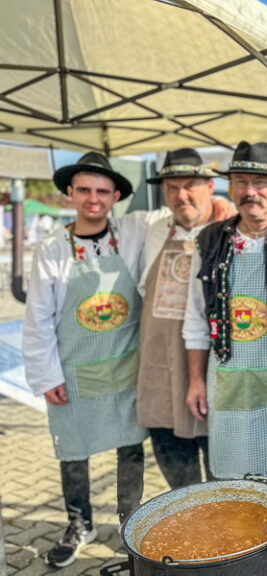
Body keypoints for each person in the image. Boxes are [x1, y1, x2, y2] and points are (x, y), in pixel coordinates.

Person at [22, 153, 164, 567]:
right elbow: (38, 319)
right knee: (73, 450)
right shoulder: (51, 249)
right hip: (74, 372)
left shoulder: (133, 232)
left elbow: (174, 214)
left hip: (125, 368)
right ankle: (80, 523)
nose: (93, 199)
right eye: (84, 189)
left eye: (102, 191)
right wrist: (46, 375)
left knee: (130, 450)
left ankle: (129, 522)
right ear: (70, 192)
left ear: (116, 195)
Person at [183, 141, 267, 481]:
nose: (250, 191)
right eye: (241, 182)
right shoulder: (209, 239)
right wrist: (196, 380)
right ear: (231, 188)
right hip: (227, 376)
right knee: (230, 482)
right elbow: (195, 318)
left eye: (259, 183)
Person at [137, 148, 236, 490]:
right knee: (179, 484)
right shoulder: (151, 229)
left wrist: (230, 210)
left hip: (212, 373)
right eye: (172, 188)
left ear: (210, 186)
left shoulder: (230, 229)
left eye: (190, 185)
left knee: (223, 480)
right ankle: (188, 540)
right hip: (160, 374)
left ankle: (223, 543)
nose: (181, 195)